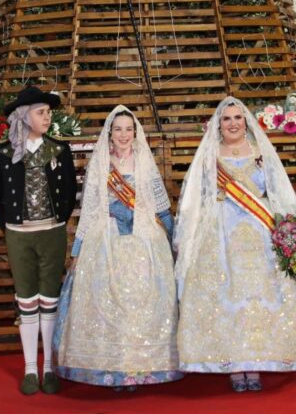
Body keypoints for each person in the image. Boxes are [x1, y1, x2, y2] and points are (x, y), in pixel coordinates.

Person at [174, 97, 296, 392]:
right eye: (226, 119)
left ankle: (256, 363)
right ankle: (234, 363)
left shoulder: (261, 154)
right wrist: (189, 233)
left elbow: (278, 192)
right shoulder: (209, 155)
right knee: (225, 295)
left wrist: (291, 231)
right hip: (219, 233)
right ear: (218, 125)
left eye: (237, 118)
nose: (232, 123)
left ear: (246, 122)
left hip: (260, 233)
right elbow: (197, 196)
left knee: (259, 295)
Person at [53, 106, 182, 390]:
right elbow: (88, 211)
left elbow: (161, 208)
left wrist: (175, 243)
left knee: (142, 305)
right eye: (118, 129)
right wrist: (76, 251)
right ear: (110, 134)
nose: (123, 134)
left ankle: (140, 367)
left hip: (145, 242)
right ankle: (112, 368)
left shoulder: (145, 162)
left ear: (135, 133)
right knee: (107, 304)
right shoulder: (100, 165)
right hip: (106, 240)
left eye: (128, 129)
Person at [0, 86, 77, 396]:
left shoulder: (59, 150)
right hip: (18, 236)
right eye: (42, 113)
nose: (47, 117)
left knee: (49, 298)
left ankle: (49, 367)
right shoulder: (2, 153)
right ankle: (30, 369)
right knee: (26, 300)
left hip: (52, 234)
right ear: (24, 117)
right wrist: (12, 225)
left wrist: (57, 221)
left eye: (49, 113)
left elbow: (68, 194)